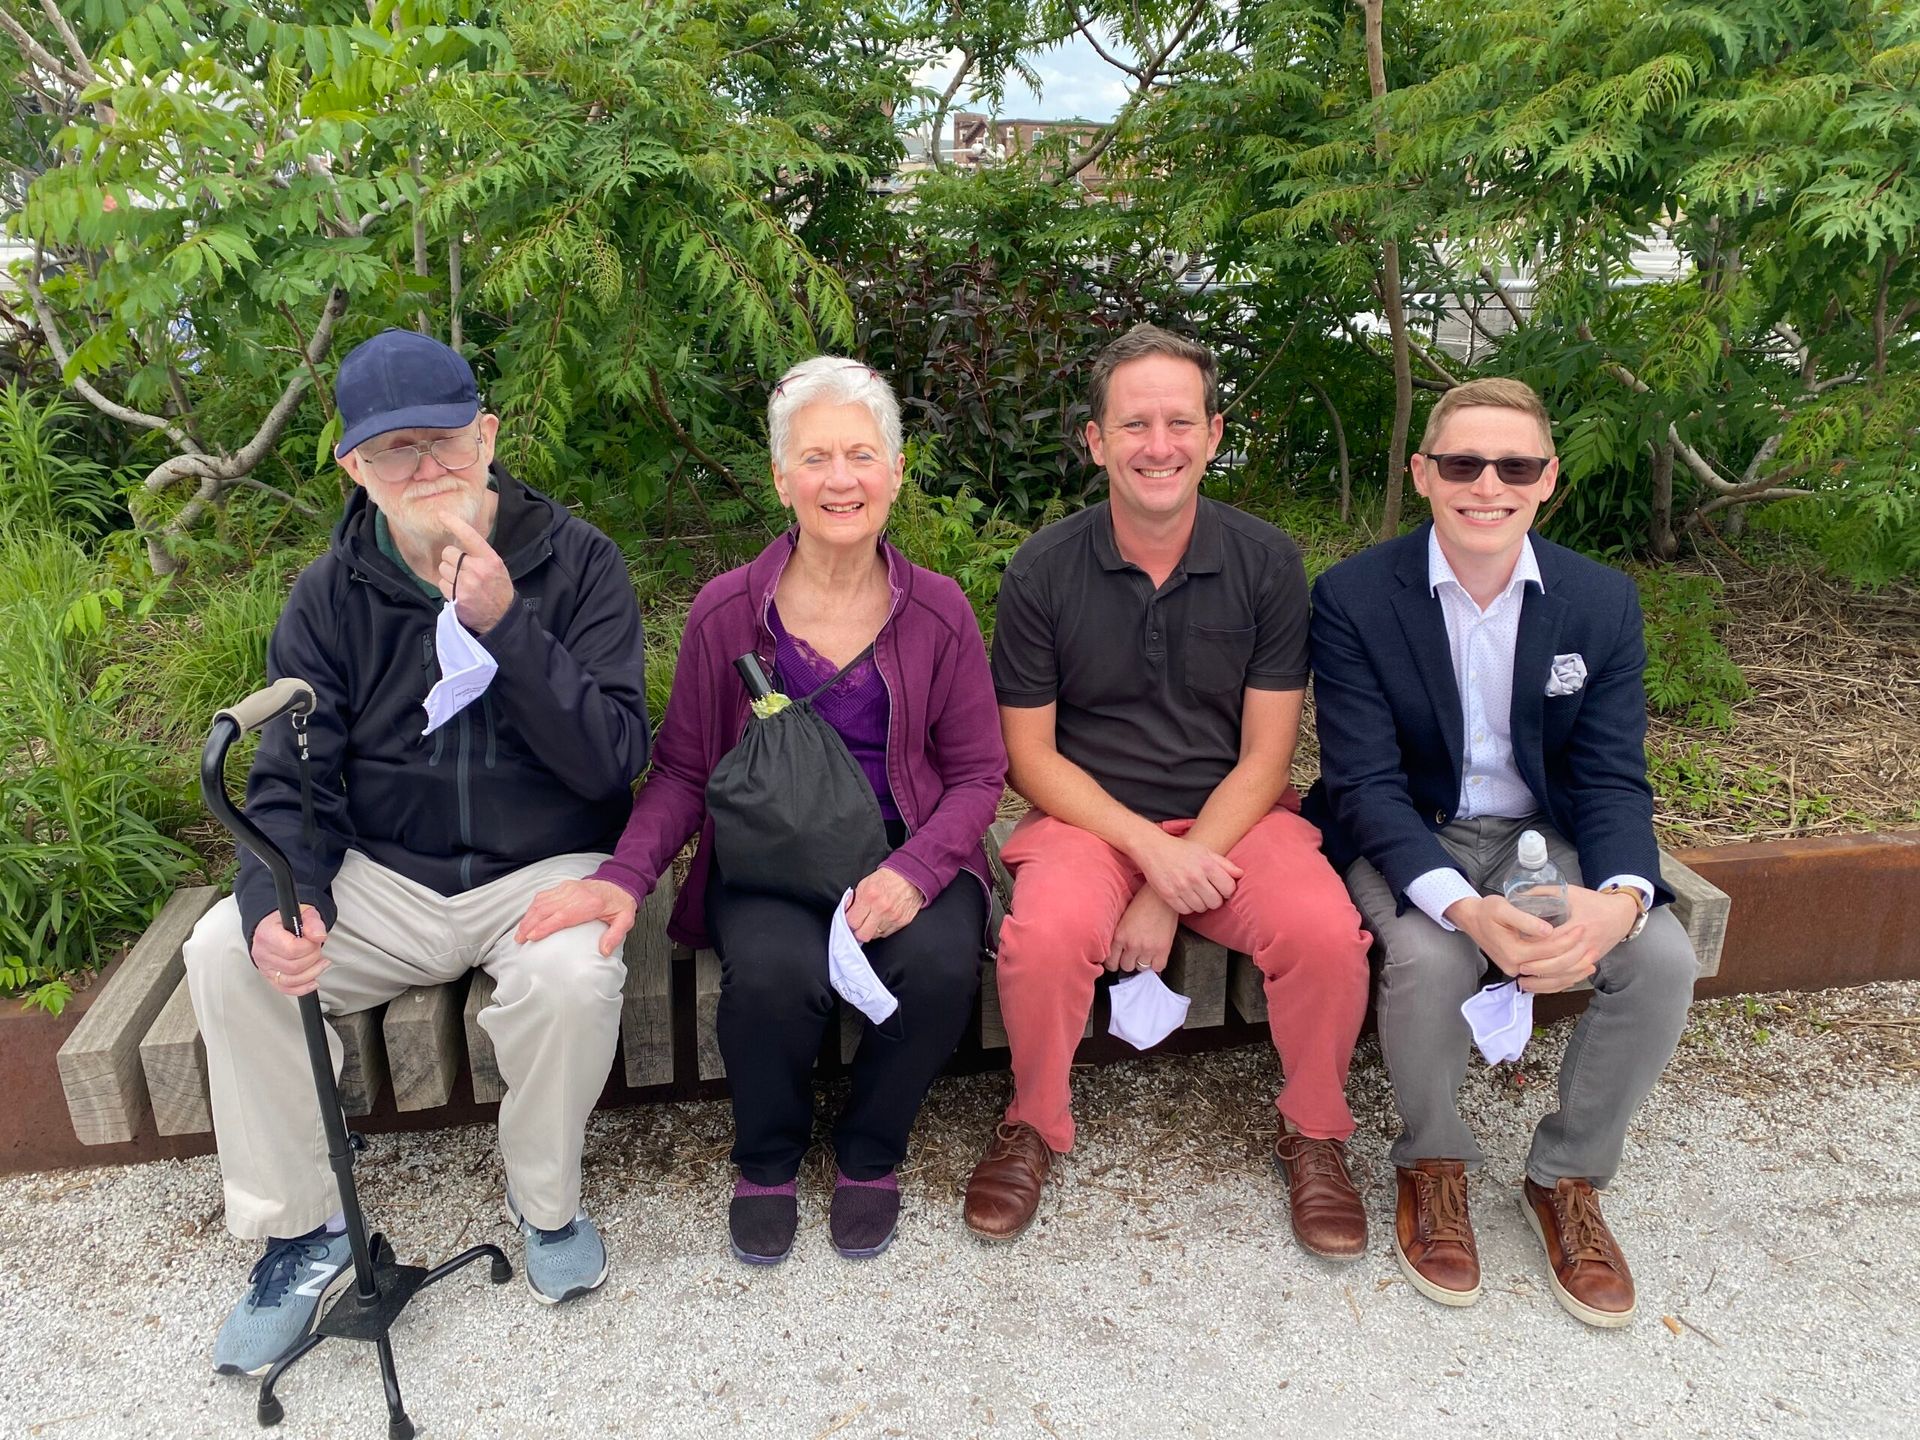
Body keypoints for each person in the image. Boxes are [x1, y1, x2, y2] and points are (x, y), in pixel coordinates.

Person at [182, 328, 651, 1376]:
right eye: (395, 452)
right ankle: (307, 1230)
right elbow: (292, 783)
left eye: (443, 440)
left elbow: (612, 761)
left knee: (574, 978)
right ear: (355, 466)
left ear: (487, 437)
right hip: (389, 872)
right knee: (224, 950)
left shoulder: (578, 565)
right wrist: (277, 903)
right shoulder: (328, 597)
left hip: (543, 863)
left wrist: (509, 628)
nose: (426, 468)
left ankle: (546, 1205)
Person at [518, 356, 1005, 1265]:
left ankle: (869, 1149)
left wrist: (917, 871)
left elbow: (980, 773)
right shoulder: (727, 613)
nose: (841, 479)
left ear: (895, 472)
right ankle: (769, 1159)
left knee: (939, 967)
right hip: (771, 859)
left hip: (908, 850)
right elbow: (681, 770)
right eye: (815, 457)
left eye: (862, 454)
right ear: (782, 478)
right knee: (773, 977)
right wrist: (625, 878)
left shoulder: (938, 613)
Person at [961, 324, 1375, 1257]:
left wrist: (1164, 890)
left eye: (1179, 421)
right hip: (1089, 816)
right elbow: (1028, 756)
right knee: (1047, 935)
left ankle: (1314, 1131)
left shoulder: (1266, 562)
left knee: (1323, 933)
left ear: (1215, 434)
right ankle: (1034, 1122)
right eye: (1134, 423)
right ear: (1096, 441)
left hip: (1235, 814)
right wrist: (1150, 857)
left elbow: (1268, 758)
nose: (1160, 445)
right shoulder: (1043, 568)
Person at [1306, 376, 1698, 1328]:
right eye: (1462, 463)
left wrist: (1619, 897)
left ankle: (1567, 1177)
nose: (1489, 484)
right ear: (1423, 472)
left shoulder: (1600, 603)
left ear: (1548, 478)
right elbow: (1364, 784)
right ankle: (1433, 1164)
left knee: (1660, 959)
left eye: (1515, 464)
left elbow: (1610, 775)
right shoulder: (1356, 596)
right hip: (1407, 829)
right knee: (1433, 955)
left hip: (1541, 837)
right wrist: (1466, 907)